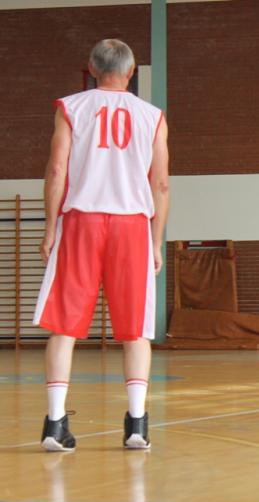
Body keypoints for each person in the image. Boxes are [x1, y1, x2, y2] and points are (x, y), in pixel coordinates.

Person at [34, 39, 169, 451]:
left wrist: (50, 227)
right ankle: (137, 424)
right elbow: (161, 184)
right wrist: (156, 241)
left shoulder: (71, 108)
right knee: (135, 330)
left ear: (92, 68)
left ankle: (55, 424)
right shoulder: (152, 116)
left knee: (64, 326)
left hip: (81, 220)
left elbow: (57, 169)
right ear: (131, 72)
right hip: (132, 226)